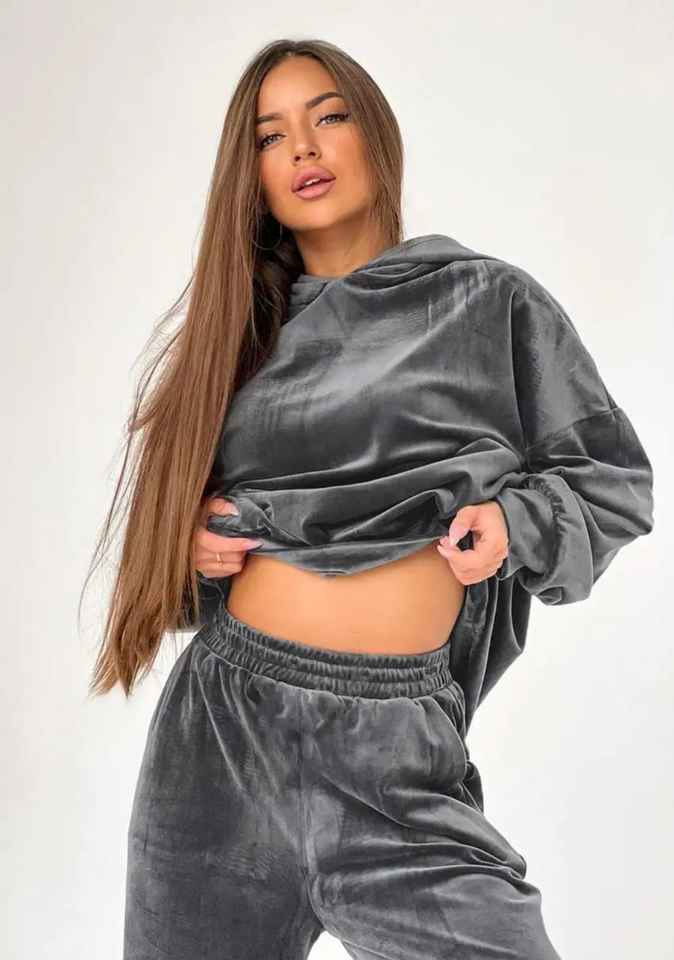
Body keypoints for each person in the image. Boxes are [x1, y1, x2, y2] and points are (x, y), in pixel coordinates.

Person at [84, 38, 654, 960]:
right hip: (222, 743)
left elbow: (612, 477)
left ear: (375, 133)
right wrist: (187, 544)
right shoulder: (241, 332)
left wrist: (515, 523)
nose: (304, 149)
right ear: (251, 175)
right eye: (271, 137)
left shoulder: (488, 302)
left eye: (329, 117)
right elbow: (170, 546)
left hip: (396, 759)